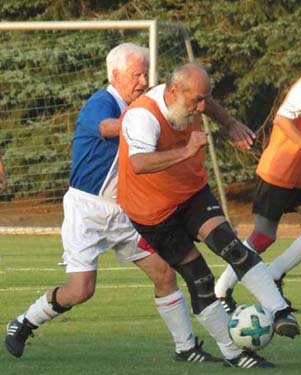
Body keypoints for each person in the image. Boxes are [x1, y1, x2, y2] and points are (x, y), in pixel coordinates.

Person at [4, 43, 238, 363]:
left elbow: (199, 99)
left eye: (145, 74)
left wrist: (229, 123)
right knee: (81, 290)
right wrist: (148, 118)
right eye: (135, 75)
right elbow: (107, 127)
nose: (142, 81)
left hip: (127, 209)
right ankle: (24, 321)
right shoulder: (102, 102)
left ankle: (186, 348)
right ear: (115, 76)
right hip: (88, 209)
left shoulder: (149, 102)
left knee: (165, 274)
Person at [117, 62, 300, 369]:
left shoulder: (191, 98)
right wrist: (187, 151)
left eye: (205, 98)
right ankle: (234, 354)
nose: (201, 107)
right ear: (175, 91)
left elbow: (209, 104)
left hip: (191, 193)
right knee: (200, 279)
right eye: (196, 101)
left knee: (231, 247)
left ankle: (280, 312)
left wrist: (230, 124)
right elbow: (140, 163)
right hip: (152, 212)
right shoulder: (142, 116)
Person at [214, 34, 301, 312]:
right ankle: (221, 291)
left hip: (298, 177)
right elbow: (282, 120)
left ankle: (274, 274)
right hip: (279, 170)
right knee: (262, 238)